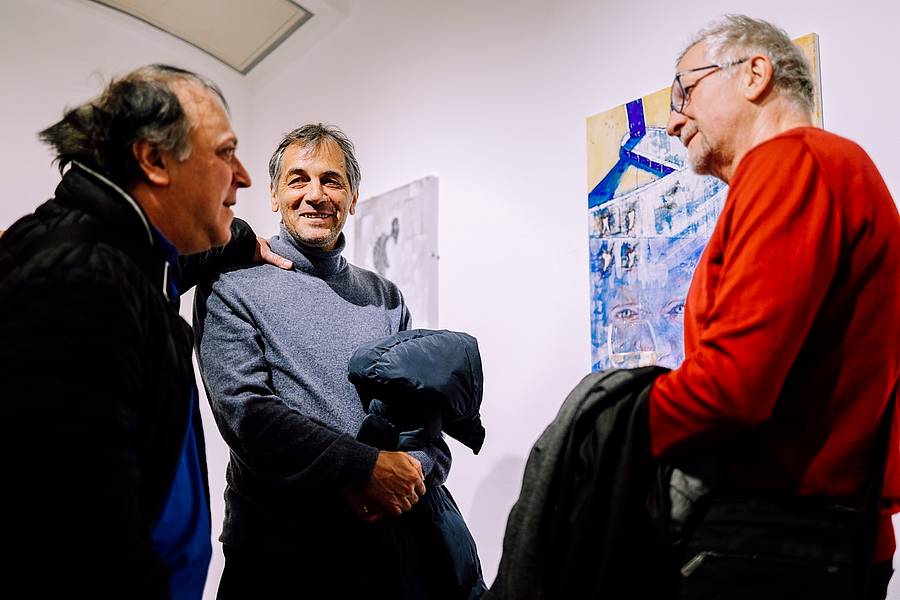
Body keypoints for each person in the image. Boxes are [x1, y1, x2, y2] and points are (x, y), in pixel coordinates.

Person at [0, 64, 287, 599]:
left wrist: (244, 243)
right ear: (154, 160)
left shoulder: (128, 254)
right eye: (225, 153)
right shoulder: (81, 285)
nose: (243, 176)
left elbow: (187, 260)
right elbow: (79, 548)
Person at [650, 15, 899, 598]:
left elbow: (733, 384)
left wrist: (604, 430)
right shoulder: (820, 167)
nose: (672, 120)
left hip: (778, 540)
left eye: (684, 90)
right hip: (812, 535)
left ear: (754, 74)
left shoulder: (792, 159)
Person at [194, 123, 451, 598]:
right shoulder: (232, 284)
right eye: (298, 180)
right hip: (274, 559)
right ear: (274, 195)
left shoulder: (385, 297)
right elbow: (248, 417)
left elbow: (423, 423)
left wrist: (409, 471)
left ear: (352, 198)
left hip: (381, 553)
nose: (315, 194)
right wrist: (366, 469)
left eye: (332, 180)